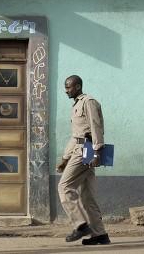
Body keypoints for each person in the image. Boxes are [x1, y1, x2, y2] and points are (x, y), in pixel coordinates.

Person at [56, 75, 110, 245]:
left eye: (69, 87)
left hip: (87, 150)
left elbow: (96, 127)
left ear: (78, 86)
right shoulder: (77, 105)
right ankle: (100, 234)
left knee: (64, 187)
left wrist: (96, 152)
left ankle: (80, 225)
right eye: (65, 87)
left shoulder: (89, 102)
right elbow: (76, 136)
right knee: (87, 197)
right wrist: (65, 158)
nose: (66, 91)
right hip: (80, 149)